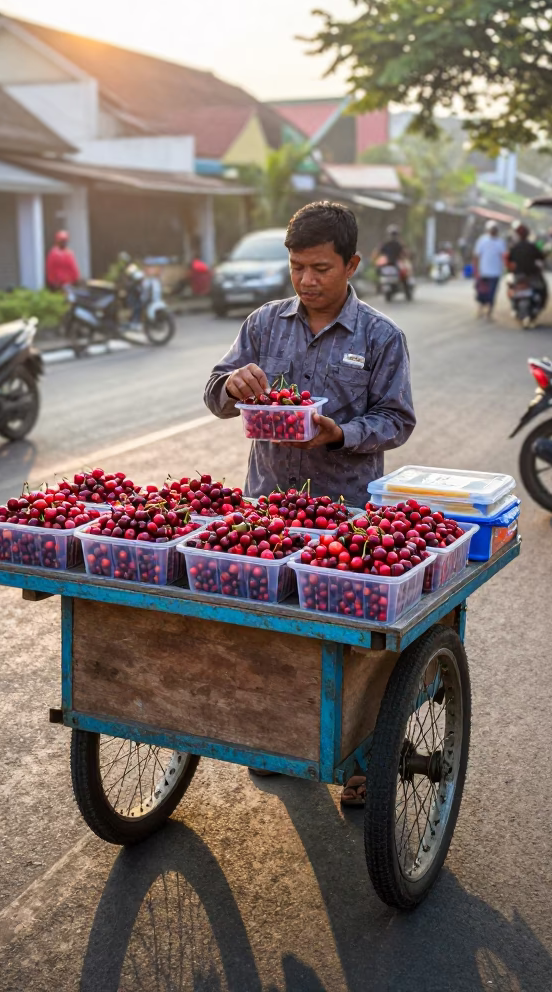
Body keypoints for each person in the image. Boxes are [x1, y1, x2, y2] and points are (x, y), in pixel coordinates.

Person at [204, 200, 416, 806]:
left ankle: (359, 757)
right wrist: (232, 385)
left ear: (352, 264)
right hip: (266, 511)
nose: (307, 280)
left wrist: (339, 433)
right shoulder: (264, 324)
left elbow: (396, 420)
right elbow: (216, 392)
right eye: (297, 267)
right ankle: (280, 740)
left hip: (343, 518)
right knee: (270, 631)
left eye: (321, 267)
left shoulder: (380, 336)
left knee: (345, 642)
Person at [506, 222, 547, 325]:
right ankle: (535, 308)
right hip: (531, 275)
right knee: (542, 289)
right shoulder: (531, 246)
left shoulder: (514, 247)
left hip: (518, 275)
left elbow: (509, 260)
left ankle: (517, 308)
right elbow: (541, 257)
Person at [472, 221, 507, 319]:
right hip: (484, 272)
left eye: (495, 229)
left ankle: (489, 312)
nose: (493, 231)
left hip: (495, 272)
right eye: (492, 229)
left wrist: (506, 268)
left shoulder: (500, 242)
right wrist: (476, 271)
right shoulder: (482, 240)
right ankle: (480, 309)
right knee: (481, 293)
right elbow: (476, 256)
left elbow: (504, 256)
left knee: (492, 293)